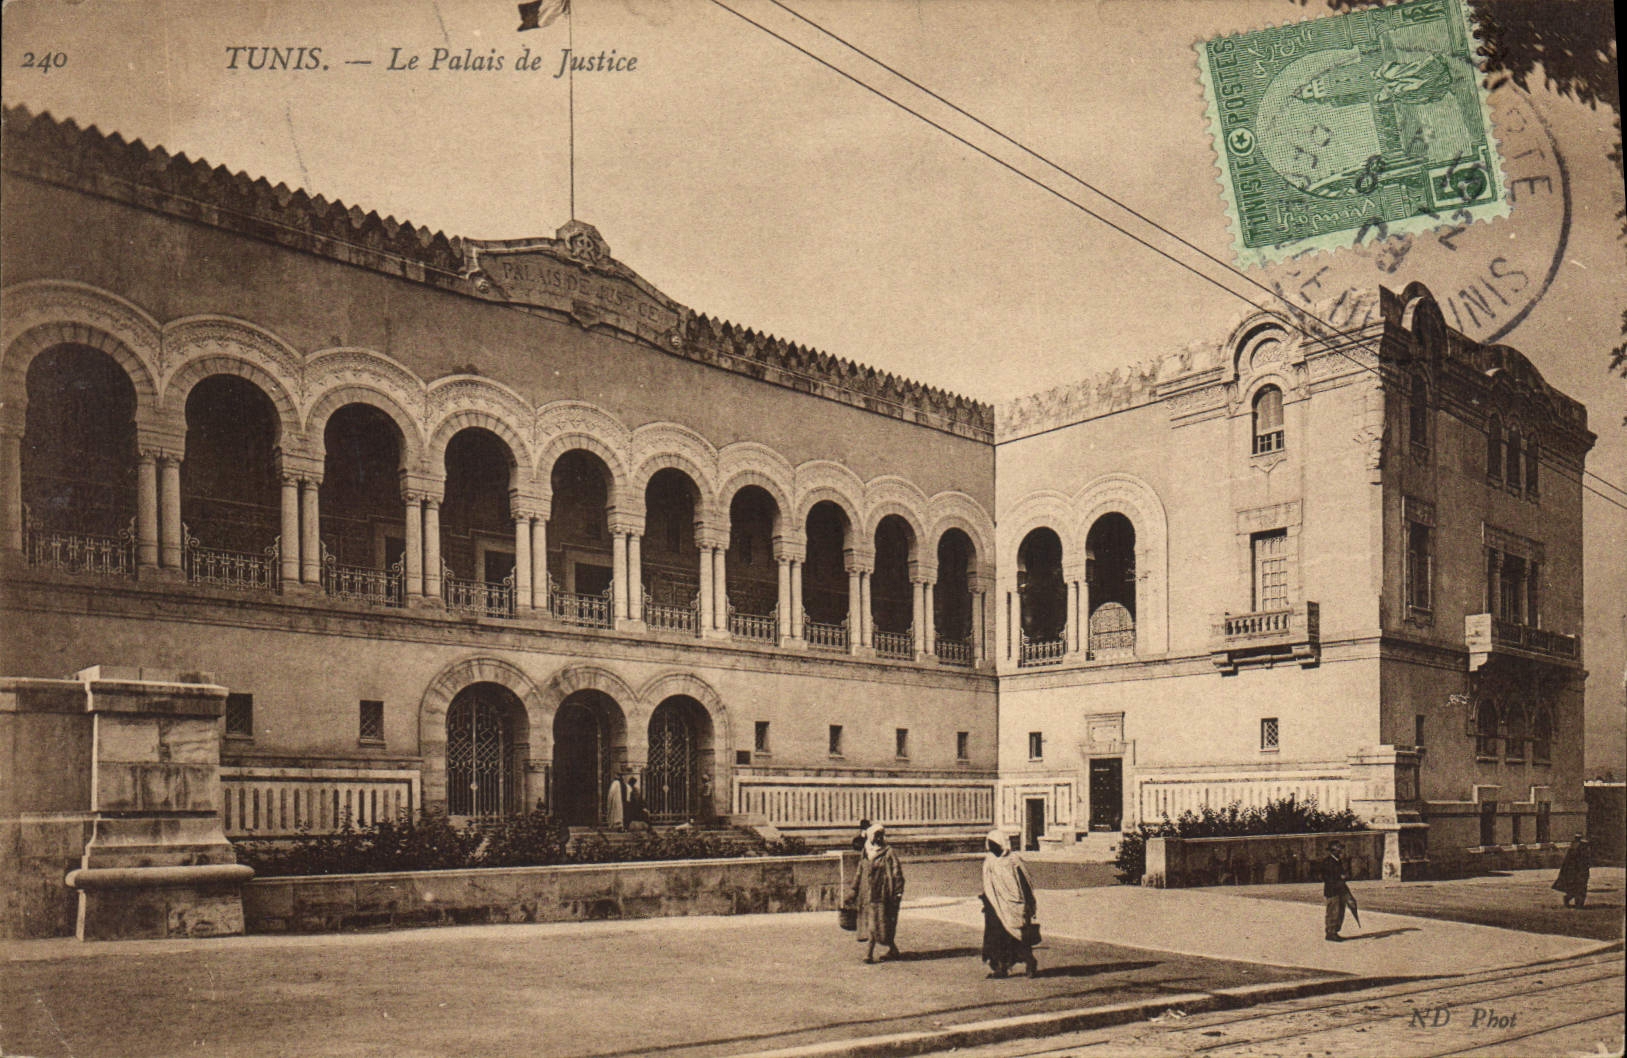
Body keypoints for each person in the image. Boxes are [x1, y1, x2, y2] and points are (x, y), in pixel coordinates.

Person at [980, 829, 1038, 978]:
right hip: (995, 905)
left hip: (1013, 904)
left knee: (1018, 935)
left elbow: (1025, 882)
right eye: (990, 844)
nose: (992, 847)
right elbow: (988, 884)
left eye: (995, 844)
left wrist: (1028, 902)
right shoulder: (989, 861)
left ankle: (1029, 961)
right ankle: (1000, 967)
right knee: (996, 938)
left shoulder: (1013, 860)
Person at [849, 823, 905, 963]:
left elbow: (897, 872)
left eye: (881, 835)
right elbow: (859, 872)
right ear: (871, 836)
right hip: (866, 894)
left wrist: (898, 892)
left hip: (882, 893)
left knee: (876, 924)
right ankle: (893, 949)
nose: (880, 838)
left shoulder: (888, 852)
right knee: (878, 924)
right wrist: (853, 890)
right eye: (877, 835)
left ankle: (869, 953)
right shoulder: (865, 851)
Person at [1320, 840, 1357, 941]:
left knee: (1340, 910)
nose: (1340, 851)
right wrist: (1340, 877)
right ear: (1333, 850)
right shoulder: (1327, 861)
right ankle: (1330, 933)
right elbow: (1325, 877)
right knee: (1333, 911)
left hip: (1340, 889)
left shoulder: (1338, 861)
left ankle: (1335, 931)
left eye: (1340, 848)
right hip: (1332, 890)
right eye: (1338, 849)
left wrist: (1343, 877)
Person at [1553, 834, 1591, 908]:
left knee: (1576, 888)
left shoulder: (1573, 846)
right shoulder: (1579, 848)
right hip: (1578, 872)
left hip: (1575, 872)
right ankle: (1577, 903)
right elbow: (1581, 862)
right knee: (1580, 887)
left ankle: (1574, 901)